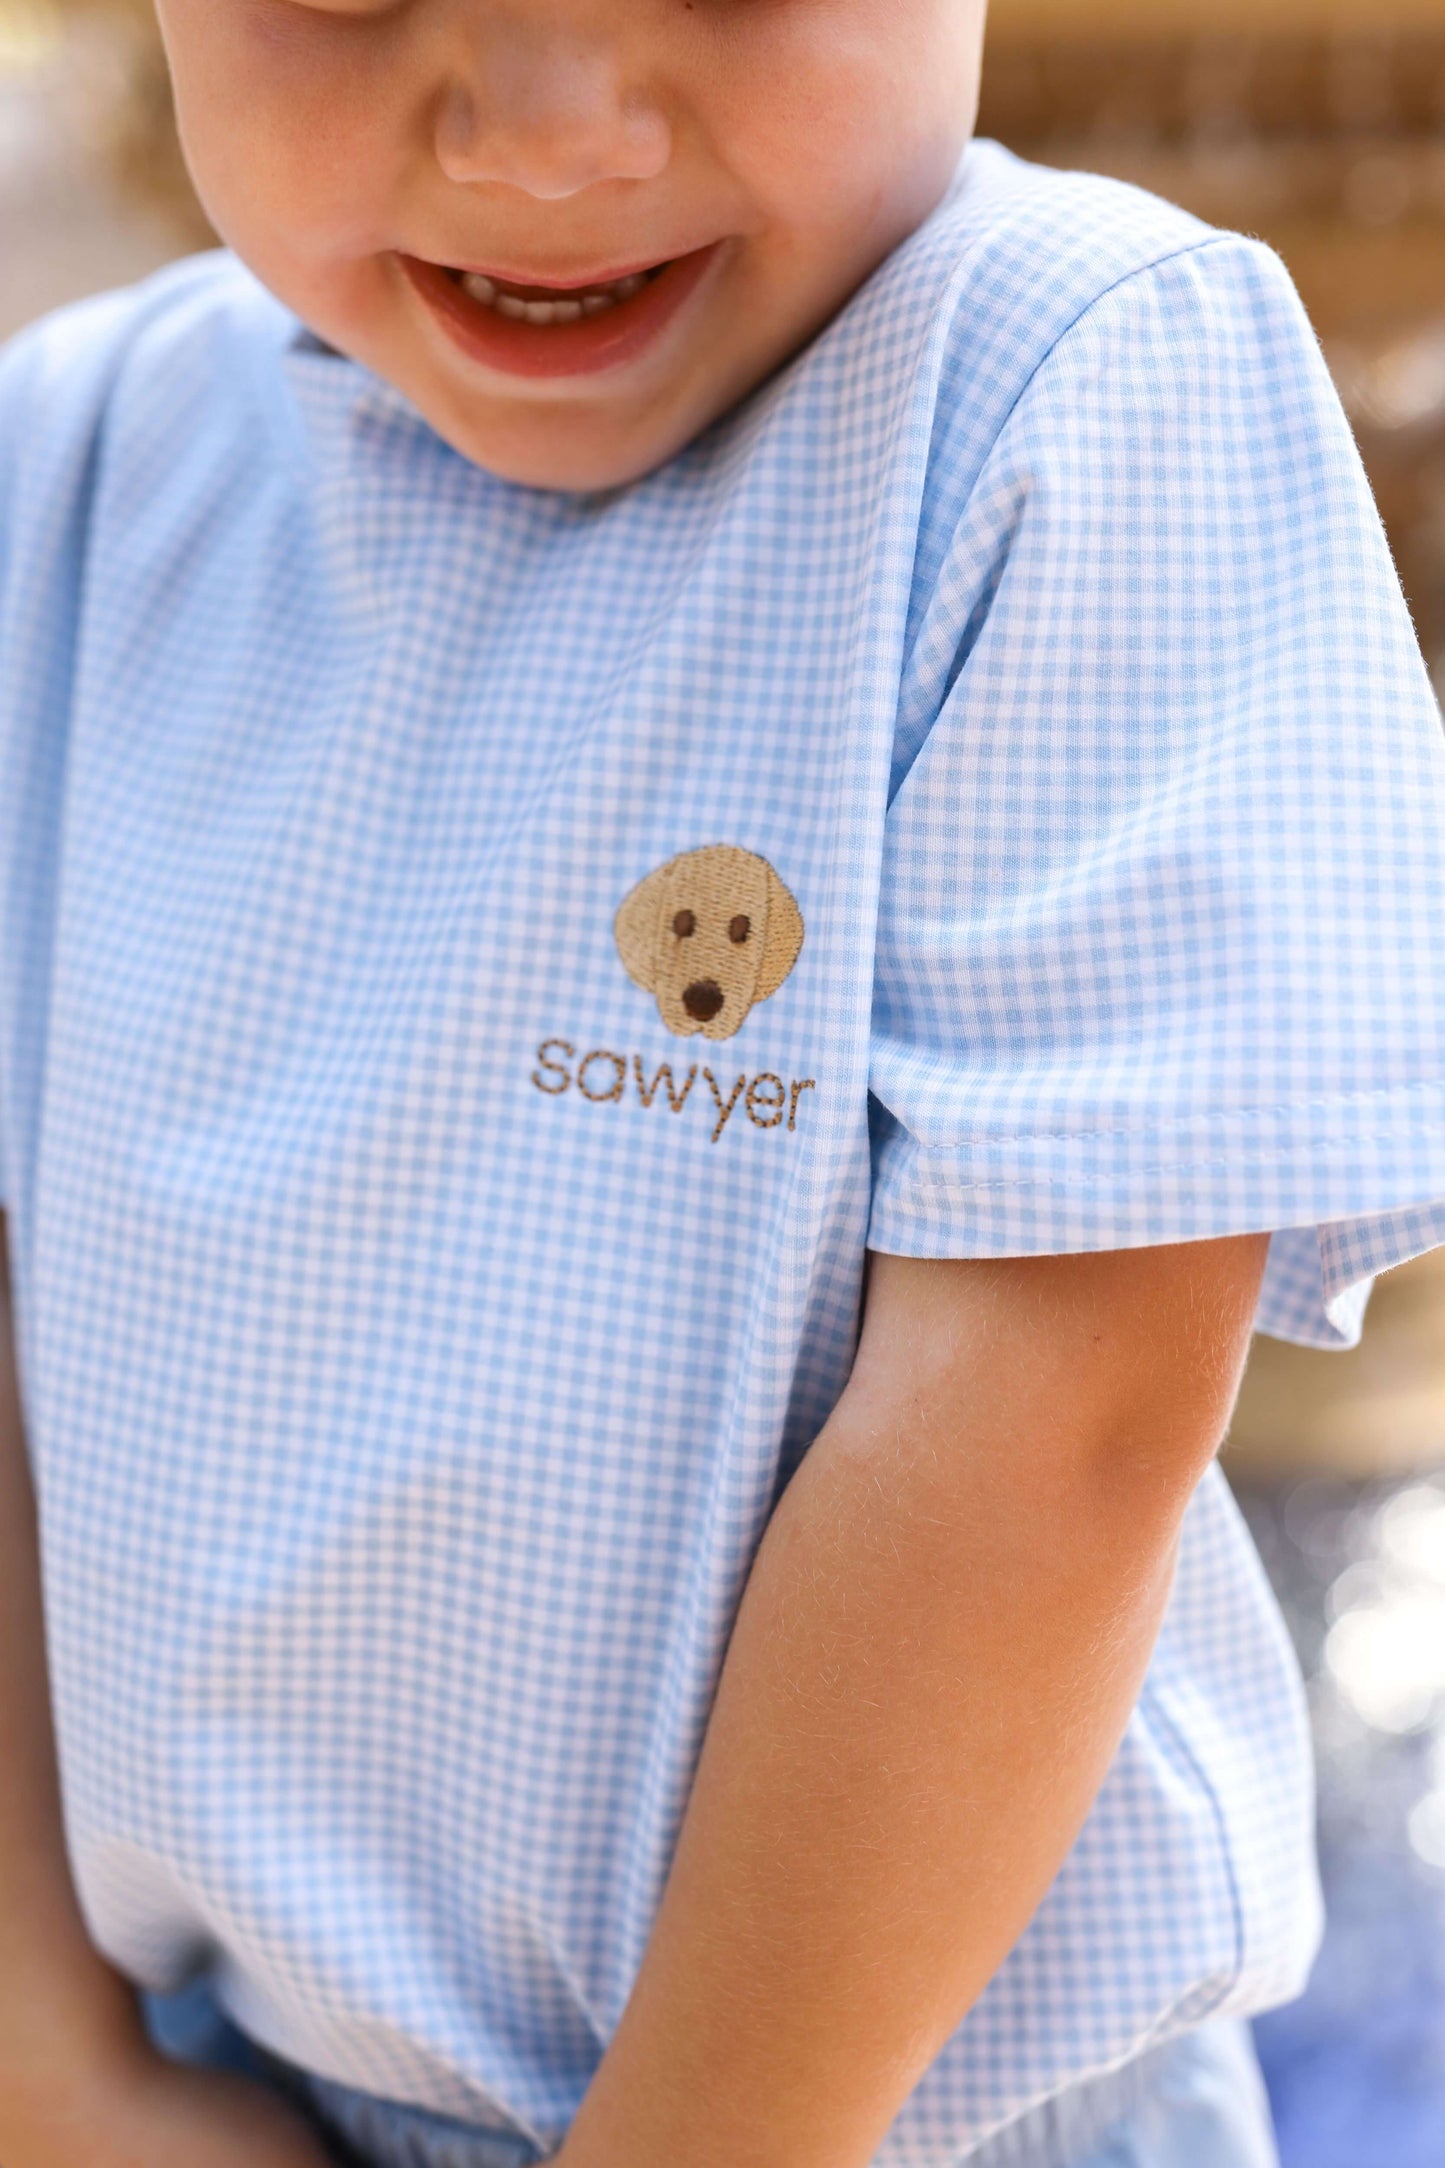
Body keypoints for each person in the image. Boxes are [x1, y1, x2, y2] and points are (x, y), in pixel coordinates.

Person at [2, 3, 1444, 2164]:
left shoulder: (1075, 387)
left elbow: (1054, 1423)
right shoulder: (72, 471)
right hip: (223, 2102)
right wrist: (49, 2063)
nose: (555, 137)